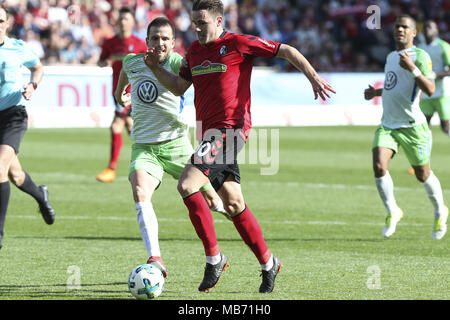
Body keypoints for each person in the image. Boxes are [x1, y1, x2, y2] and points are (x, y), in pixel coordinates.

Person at [144, 0, 335, 293]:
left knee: (186, 185)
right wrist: (156, 68)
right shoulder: (194, 51)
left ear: (219, 21)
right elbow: (181, 87)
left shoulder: (237, 43)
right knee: (233, 204)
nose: (196, 27)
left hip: (230, 131)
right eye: (194, 22)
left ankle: (214, 258)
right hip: (207, 134)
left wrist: (313, 76)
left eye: (202, 22)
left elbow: (285, 50)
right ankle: (269, 262)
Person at [115, 17, 229, 278]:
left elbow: (187, 85)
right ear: (146, 41)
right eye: (154, 38)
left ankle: (234, 222)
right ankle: (155, 258)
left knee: (215, 200)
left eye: (165, 38)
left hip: (177, 145)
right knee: (140, 191)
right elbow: (123, 73)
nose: (160, 43)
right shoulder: (132, 61)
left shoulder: (179, 64)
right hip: (145, 147)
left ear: (173, 43)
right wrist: (120, 93)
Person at [364, 15, 448, 240]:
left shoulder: (421, 56)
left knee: (423, 174)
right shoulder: (391, 57)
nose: (400, 29)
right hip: (388, 125)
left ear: (413, 33)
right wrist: (376, 93)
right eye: (398, 26)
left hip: (413, 126)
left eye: (405, 27)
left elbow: (430, 89)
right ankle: (393, 211)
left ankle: (441, 210)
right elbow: (395, 87)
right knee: (379, 166)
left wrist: (413, 68)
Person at [0, 5, 55, 249]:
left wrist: (33, 85)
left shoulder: (17, 47)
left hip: (13, 114)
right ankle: (41, 195)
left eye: (0, 20)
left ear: (8, 23)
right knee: (15, 175)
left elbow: (38, 67)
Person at [96, 7, 147, 183]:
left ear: (132, 22)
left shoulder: (140, 44)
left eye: (126, 19)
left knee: (116, 125)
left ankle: (111, 169)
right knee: (131, 128)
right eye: (121, 19)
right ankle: (152, 158)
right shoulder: (110, 43)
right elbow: (101, 60)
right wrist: (102, 62)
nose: (123, 22)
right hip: (116, 91)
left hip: (132, 93)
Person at [419, 20, 450, 135]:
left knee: (445, 126)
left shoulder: (443, 46)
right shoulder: (420, 48)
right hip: (426, 93)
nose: (427, 30)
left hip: (442, 93)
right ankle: (424, 151)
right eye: (425, 27)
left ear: (436, 31)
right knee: (424, 127)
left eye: (430, 27)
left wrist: (436, 75)